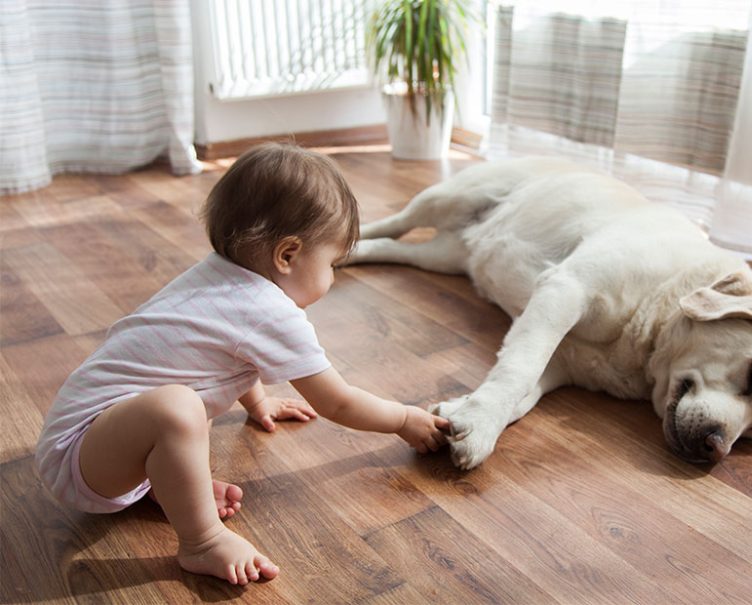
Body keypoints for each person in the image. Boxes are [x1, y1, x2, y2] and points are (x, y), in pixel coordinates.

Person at [35, 143, 450, 585]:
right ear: (287, 255)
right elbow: (339, 402)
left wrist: (258, 403)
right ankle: (203, 541)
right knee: (178, 408)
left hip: (96, 441)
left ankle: (167, 481)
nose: (332, 276)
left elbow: (226, 356)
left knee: (180, 406)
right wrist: (404, 418)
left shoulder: (217, 274)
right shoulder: (269, 311)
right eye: (332, 263)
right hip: (80, 461)